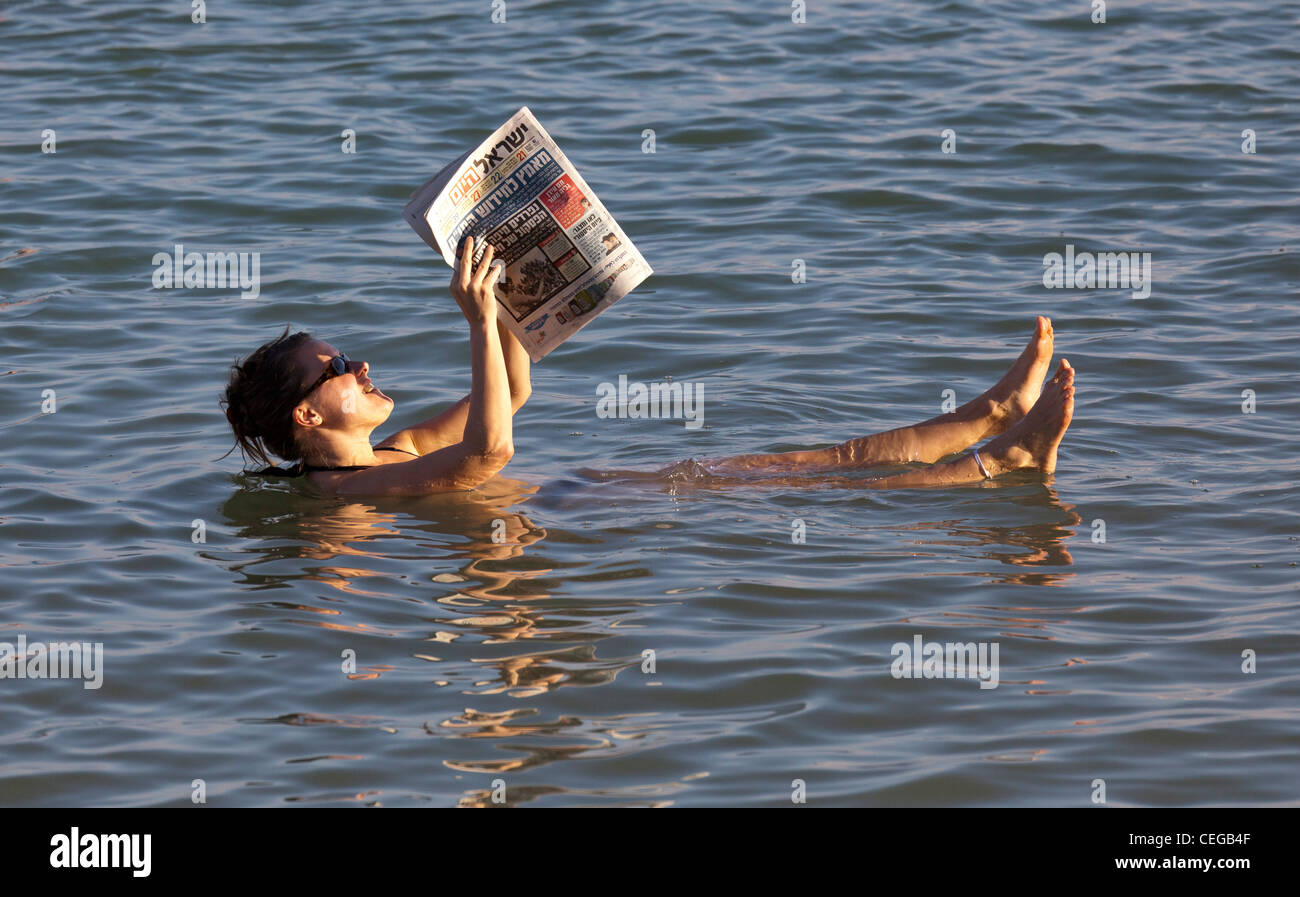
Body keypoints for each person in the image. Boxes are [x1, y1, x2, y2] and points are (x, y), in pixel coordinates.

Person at [221, 236, 1075, 496]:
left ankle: (990, 421)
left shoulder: (397, 447)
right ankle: (999, 458)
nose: (360, 361)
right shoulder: (340, 492)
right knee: (814, 479)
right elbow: (488, 454)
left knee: (821, 463)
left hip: (587, 491)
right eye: (336, 364)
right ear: (309, 415)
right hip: (588, 517)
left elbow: (510, 393)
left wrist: (519, 300)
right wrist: (478, 321)